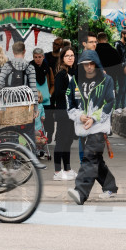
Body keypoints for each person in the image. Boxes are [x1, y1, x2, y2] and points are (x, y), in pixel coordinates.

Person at [66, 49, 118, 204]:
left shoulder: (107, 80)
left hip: (99, 126)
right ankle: (110, 186)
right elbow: (69, 103)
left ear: (96, 64)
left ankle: (80, 193)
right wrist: (79, 116)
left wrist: (94, 118)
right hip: (83, 127)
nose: (88, 67)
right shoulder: (74, 81)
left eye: (91, 63)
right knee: (95, 159)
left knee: (89, 158)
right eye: (85, 64)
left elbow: (110, 102)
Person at [49, 45, 79, 180]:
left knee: (68, 141)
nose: (70, 58)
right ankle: (57, 171)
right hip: (63, 112)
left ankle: (67, 169)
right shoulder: (61, 74)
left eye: (72, 55)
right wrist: (70, 92)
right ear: (62, 59)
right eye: (67, 56)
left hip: (71, 112)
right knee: (61, 141)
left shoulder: (72, 73)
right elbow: (57, 94)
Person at [115, 29, 126, 109]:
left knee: (125, 89)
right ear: (123, 34)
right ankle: (117, 107)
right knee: (121, 88)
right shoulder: (117, 44)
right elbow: (118, 58)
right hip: (120, 70)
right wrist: (124, 66)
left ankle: (124, 107)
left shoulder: (125, 44)